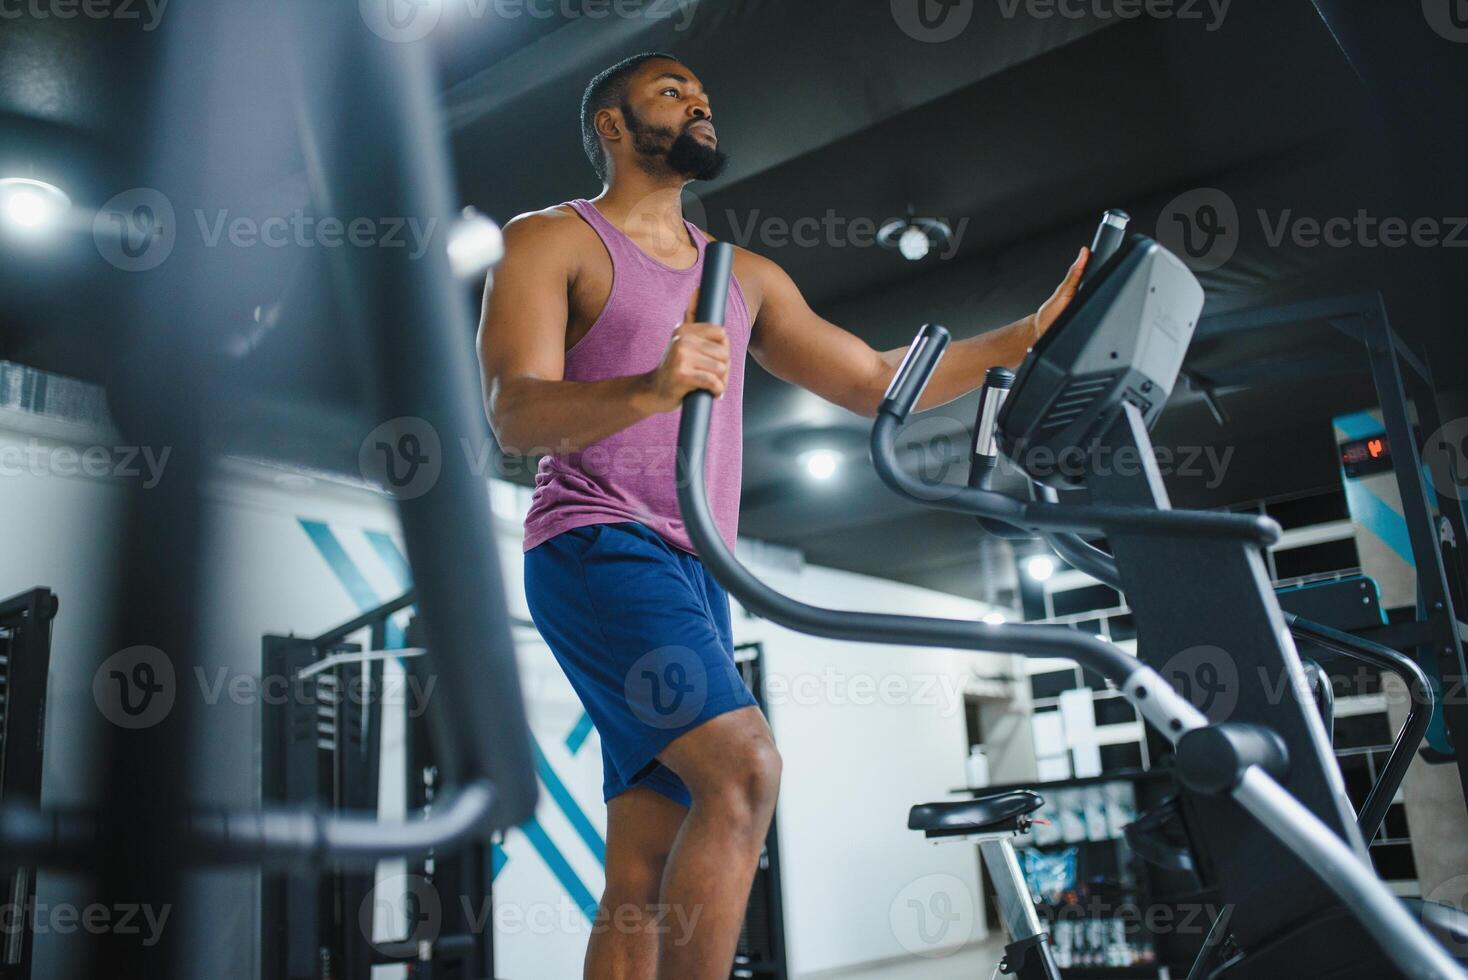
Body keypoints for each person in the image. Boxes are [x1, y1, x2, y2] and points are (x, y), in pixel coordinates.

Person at [476, 51, 1087, 980]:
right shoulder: (549, 241)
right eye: (672, 92)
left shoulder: (741, 277)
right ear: (611, 124)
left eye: (705, 96)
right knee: (745, 771)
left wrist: (1030, 333)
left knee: (643, 867)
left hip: (697, 570)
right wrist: (651, 386)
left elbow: (876, 381)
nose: (699, 104)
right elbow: (515, 412)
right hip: (599, 545)